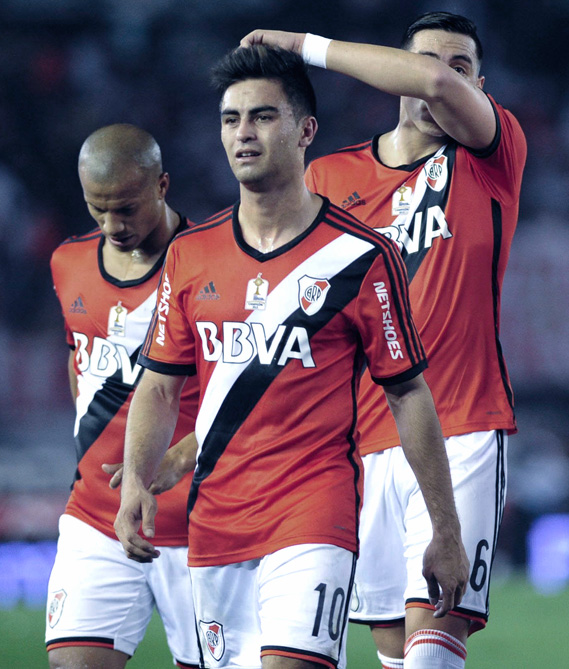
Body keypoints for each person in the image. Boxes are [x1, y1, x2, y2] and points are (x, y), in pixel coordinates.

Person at [114, 45, 467, 669]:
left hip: (314, 514)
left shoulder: (362, 256)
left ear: (306, 130)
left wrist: (445, 528)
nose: (243, 133)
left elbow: (408, 393)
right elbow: (160, 386)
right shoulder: (190, 255)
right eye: (231, 119)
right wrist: (136, 480)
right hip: (216, 520)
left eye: (262, 116)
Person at [240, 12, 525, 669]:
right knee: (394, 652)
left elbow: (433, 81)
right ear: (388, 75)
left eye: (462, 70)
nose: (437, 81)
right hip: (361, 446)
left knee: (434, 647)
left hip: (463, 428)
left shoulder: (493, 156)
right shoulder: (330, 182)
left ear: (481, 85)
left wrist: (303, 46)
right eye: (425, 63)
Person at [46, 124, 200, 669]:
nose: (113, 226)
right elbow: (78, 363)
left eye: (127, 209)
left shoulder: (208, 265)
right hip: (96, 513)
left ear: (162, 185)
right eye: (97, 209)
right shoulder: (69, 262)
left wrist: (183, 455)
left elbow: (246, 393)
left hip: (202, 521)